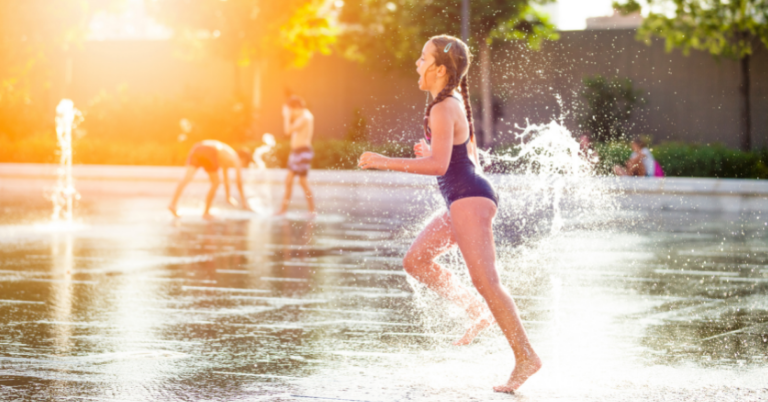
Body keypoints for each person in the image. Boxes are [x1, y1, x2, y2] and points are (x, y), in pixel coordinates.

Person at [357, 35, 541, 394]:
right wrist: (432, 150)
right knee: (416, 261)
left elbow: (440, 164)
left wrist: (383, 162)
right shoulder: (447, 105)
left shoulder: (444, 107)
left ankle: (526, 356)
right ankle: (476, 310)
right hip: (464, 198)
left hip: (469, 198)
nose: (417, 63)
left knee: (487, 281)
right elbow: (461, 158)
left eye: (423, 57)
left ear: (440, 69)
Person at [168, 140, 253, 220]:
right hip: (210, 150)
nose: (243, 166)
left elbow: (225, 178)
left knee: (187, 178)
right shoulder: (235, 158)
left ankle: (173, 204)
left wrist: (228, 197)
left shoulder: (227, 156)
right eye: (245, 164)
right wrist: (244, 203)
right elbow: (239, 183)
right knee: (216, 183)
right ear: (244, 159)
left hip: (198, 148)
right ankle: (206, 213)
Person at [276, 95, 316, 216]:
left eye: (291, 110)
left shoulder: (305, 117)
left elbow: (287, 131)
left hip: (302, 152)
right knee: (295, 181)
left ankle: (310, 211)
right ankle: (309, 210)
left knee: (295, 181)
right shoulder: (304, 116)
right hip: (297, 152)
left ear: (297, 107)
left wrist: (286, 116)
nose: (291, 114)